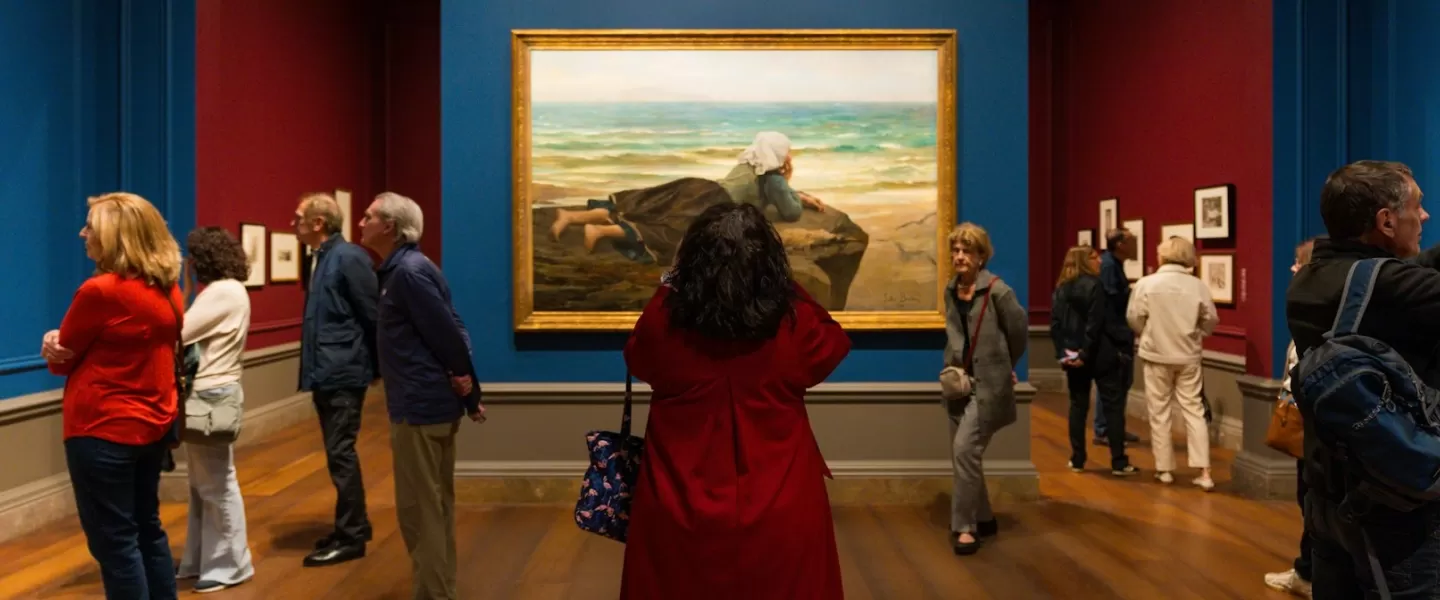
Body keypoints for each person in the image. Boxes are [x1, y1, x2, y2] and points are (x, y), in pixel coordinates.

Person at [620, 202, 851, 599]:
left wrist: (671, 280)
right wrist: (781, 283)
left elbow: (637, 356)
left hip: (678, 503)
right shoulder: (794, 325)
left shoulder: (665, 324)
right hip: (783, 501)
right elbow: (834, 342)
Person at [1286, 160, 1440, 598]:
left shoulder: (1310, 278)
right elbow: (1406, 283)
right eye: (1418, 206)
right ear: (1386, 221)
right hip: (1395, 509)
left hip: (1326, 492)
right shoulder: (1394, 289)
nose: (1424, 216)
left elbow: (1400, 275)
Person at [40, 192, 184, 600]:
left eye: (92, 226)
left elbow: (62, 361)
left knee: (115, 544)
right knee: (147, 529)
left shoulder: (100, 291)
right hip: (153, 425)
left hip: (101, 430)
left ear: (117, 237)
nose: (83, 232)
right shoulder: (168, 290)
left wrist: (52, 341)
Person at [360, 192, 483, 600]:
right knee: (434, 508)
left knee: (420, 512)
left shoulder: (407, 273)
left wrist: (469, 389)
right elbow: (455, 327)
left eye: (369, 216)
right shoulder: (412, 268)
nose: (361, 222)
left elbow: (449, 335)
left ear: (390, 227)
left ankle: (433, 594)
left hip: (420, 408)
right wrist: (465, 389)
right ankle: (438, 590)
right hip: (427, 404)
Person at [548, 131, 829, 264]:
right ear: (778, 155)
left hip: (697, 188)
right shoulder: (774, 178)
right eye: (787, 151)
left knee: (645, 206)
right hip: (714, 205)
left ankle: (573, 216)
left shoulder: (750, 163)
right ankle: (598, 230)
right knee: (671, 233)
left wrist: (796, 193)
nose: (789, 156)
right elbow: (790, 213)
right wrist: (790, 185)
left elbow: (775, 194)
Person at [292, 192, 379, 567]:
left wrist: (373, 369)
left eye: (298, 217)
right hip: (329, 370)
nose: (293, 223)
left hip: (342, 372)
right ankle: (354, 523)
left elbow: (373, 316)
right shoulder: (325, 258)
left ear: (318, 223)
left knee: (340, 454)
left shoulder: (348, 258)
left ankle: (352, 535)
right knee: (337, 453)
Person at [174, 227, 256, 592]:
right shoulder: (230, 290)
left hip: (209, 394)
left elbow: (177, 331)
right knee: (204, 483)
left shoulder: (223, 291)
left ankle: (231, 564)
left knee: (216, 484)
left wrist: (182, 291)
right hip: (214, 393)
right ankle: (204, 558)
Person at [942, 222, 1027, 555]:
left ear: (981, 256)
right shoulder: (951, 290)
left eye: (967, 251)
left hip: (990, 387)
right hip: (957, 383)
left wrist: (1007, 368)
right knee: (965, 455)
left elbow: (1018, 333)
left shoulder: (999, 292)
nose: (960, 256)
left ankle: (965, 526)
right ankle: (986, 517)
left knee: (965, 450)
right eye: (956, 250)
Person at [1126, 236, 1219, 490]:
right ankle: (1205, 471)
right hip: (1188, 355)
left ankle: (1164, 469)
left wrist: (1148, 333)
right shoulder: (1197, 286)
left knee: (1159, 412)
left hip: (1156, 353)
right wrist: (1197, 333)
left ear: (1162, 256)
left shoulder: (1147, 284)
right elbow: (1211, 319)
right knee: (1194, 411)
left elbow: (1134, 318)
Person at [1264, 237, 1317, 598]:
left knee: (1313, 500)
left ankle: (1309, 574)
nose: (1291, 269)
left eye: (1297, 263)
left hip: (1314, 425)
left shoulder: (1313, 317)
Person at [1049, 245, 1123, 473]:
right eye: (1094, 257)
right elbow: (1095, 323)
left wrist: (1063, 353)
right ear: (1084, 260)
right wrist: (1085, 353)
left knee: (1077, 407)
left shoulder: (1061, 288)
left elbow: (1055, 325)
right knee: (1112, 407)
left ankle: (1077, 458)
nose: (1099, 261)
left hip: (1071, 354)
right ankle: (1119, 461)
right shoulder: (1094, 286)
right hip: (1099, 354)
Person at [1094, 228, 1142, 469]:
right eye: (1132, 241)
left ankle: (1113, 428)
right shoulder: (1109, 266)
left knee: (1120, 384)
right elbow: (1112, 300)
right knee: (1114, 385)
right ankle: (1105, 429)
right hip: (1114, 336)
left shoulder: (1113, 264)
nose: (1135, 245)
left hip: (1118, 334)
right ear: (1120, 244)